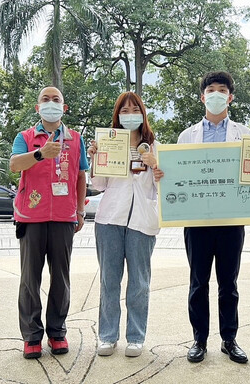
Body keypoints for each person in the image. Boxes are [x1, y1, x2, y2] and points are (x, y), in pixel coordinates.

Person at [156, 71, 250, 364]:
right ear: (202, 97)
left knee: (229, 282)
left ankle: (229, 339)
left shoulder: (245, 133)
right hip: (196, 221)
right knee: (198, 282)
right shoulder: (186, 136)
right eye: (210, 90)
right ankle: (199, 339)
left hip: (231, 220)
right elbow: (176, 175)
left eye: (221, 90)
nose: (216, 94)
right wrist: (163, 172)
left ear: (230, 97)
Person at [10, 86, 88, 359]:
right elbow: (15, 165)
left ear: (64, 108)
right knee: (30, 279)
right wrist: (41, 153)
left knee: (61, 279)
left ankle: (57, 332)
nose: (51, 103)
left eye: (56, 100)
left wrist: (79, 211)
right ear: (37, 107)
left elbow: (81, 177)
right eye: (46, 99)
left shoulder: (76, 139)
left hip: (64, 218)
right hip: (31, 217)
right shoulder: (25, 137)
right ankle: (31, 336)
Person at [88, 92, 160, 358]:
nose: (130, 114)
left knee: (139, 283)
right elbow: (99, 185)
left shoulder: (153, 145)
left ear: (143, 113)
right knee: (109, 280)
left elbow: (160, 187)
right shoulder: (108, 142)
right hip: (109, 220)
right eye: (124, 110)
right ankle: (107, 336)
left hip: (142, 222)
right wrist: (96, 158)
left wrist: (155, 166)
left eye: (135, 109)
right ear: (117, 115)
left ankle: (136, 336)